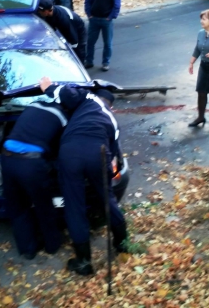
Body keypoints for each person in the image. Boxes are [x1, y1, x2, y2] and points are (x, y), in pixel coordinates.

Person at [40, 77, 128, 276]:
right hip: (99, 153)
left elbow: (67, 94)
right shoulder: (112, 121)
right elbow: (113, 154)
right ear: (111, 105)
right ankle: (123, 245)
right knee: (108, 199)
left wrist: (48, 87)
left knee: (74, 205)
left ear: (98, 97)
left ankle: (84, 262)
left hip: (71, 151)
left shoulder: (89, 98)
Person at [0, 93, 68, 260]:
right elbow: (59, 147)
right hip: (30, 164)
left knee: (17, 208)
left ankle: (27, 250)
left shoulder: (33, 105)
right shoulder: (63, 117)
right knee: (44, 206)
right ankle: (52, 246)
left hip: (6, 159)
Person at [84, 0, 121, 72]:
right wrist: (89, 14)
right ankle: (89, 61)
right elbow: (88, 0)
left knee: (107, 43)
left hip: (106, 20)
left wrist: (111, 17)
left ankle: (105, 63)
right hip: (94, 19)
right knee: (90, 42)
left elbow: (116, 5)